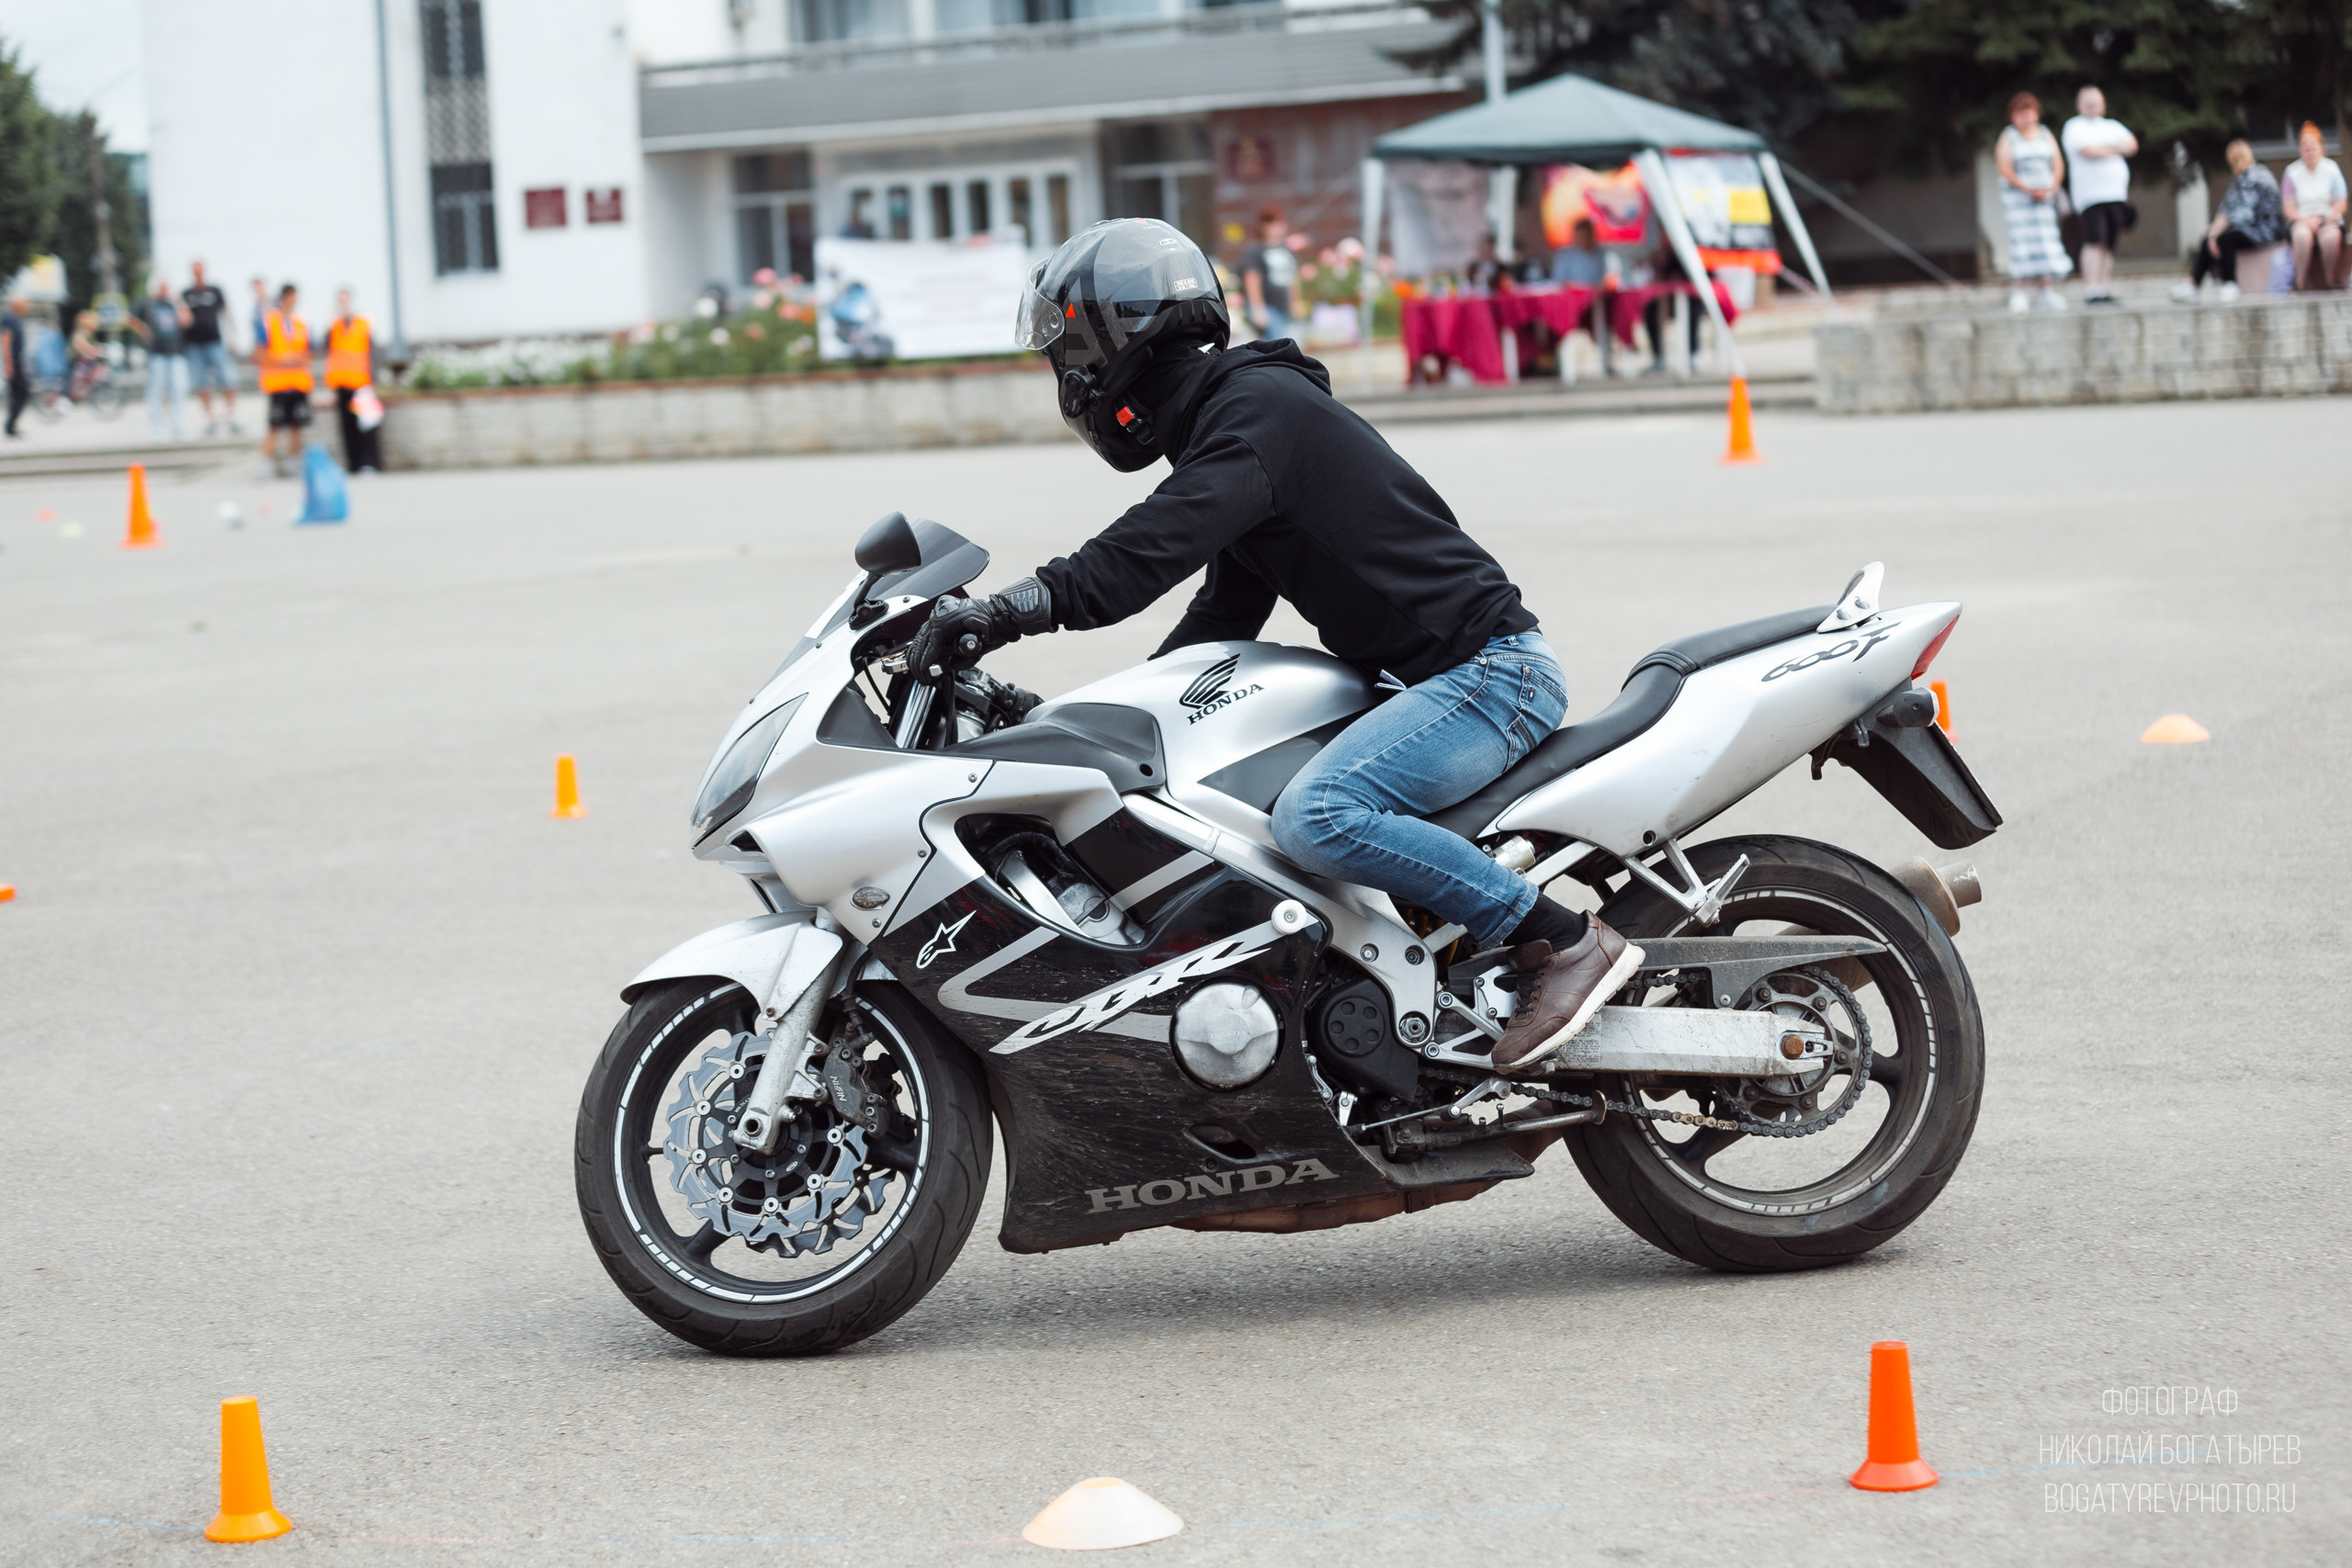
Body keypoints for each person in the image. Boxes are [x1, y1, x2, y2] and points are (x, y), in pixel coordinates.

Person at [907, 219, 1645, 1073]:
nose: (1068, 374)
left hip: (1488, 676)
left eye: (1070, 349)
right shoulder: (1238, 422)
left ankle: (1557, 939)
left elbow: (1145, 552)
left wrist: (1007, 610)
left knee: (1318, 816)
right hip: (1433, 684)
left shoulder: (1259, 412)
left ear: (1124, 335)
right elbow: (1221, 617)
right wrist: (1082, 725)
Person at [2175, 140, 2283, 302]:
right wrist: (2212, 234)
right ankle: (2193, 284)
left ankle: (2229, 284)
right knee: (2209, 240)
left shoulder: (2255, 176)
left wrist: (2217, 234)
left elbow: (2242, 214)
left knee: (2226, 240)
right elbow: (2226, 208)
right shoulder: (2241, 178)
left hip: (2264, 230)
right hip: (2249, 228)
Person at [2061, 85, 2138, 304]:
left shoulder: (2112, 125)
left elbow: (2132, 145)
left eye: (2097, 102)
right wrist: (2115, 148)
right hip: (2091, 196)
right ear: (2080, 105)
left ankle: (2103, 287)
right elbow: (2088, 151)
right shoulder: (2074, 126)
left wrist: (2104, 148)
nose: (2094, 107)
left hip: (2116, 194)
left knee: (2110, 243)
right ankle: (2091, 288)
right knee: (2095, 240)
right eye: (2089, 103)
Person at [1996, 92, 2072, 312]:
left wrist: (2051, 186)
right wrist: (2028, 189)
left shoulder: (2045, 134)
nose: (2025, 117)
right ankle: (2019, 290)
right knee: (2023, 243)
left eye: (2029, 111)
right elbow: (2004, 168)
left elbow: (2057, 164)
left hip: (2045, 198)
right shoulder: (2008, 136)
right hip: (2019, 201)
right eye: (2020, 112)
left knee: (2046, 241)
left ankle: (2047, 290)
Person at [256, 283, 314, 477]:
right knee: (274, 425)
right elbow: (260, 352)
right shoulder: (269, 321)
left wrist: (293, 358)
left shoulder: (301, 322)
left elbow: (308, 351)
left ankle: (293, 463)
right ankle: (265, 463)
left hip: (298, 382)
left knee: (296, 426)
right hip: (278, 383)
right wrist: (284, 359)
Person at [2280, 121, 2347, 291]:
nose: (2309, 152)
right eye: (2305, 148)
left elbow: (2341, 202)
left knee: (2331, 238)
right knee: (2302, 237)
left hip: (2327, 217)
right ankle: (2300, 281)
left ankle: (2330, 279)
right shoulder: (2292, 172)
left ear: (2321, 147)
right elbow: (2289, 208)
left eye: (2313, 147)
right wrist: (2305, 221)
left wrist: (2329, 217)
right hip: (2302, 218)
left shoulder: (2331, 169)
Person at [322, 288, 380, 472]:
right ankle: (353, 464)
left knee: (366, 426)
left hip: (361, 382)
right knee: (347, 427)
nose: (344, 304)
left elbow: (373, 351)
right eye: (341, 301)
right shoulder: (334, 326)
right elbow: (328, 351)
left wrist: (374, 379)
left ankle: (369, 463)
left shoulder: (363, 323)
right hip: (341, 382)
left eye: (346, 300)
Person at [182, 261, 240, 435]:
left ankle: (231, 415)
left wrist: (233, 337)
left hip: (215, 342)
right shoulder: (186, 294)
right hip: (194, 345)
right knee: (201, 382)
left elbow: (226, 313)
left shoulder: (214, 291)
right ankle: (210, 418)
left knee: (227, 378)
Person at [130, 276, 190, 440]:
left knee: (178, 389)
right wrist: (144, 331)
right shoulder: (147, 304)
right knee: (156, 390)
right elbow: (130, 318)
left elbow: (186, 321)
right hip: (157, 353)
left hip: (176, 352)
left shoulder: (173, 304)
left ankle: (178, 425)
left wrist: (178, 300)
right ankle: (157, 426)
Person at [1239, 206, 1300, 344]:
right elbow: (1252, 279)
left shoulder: (1286, 250)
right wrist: (1258, 308)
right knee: (1277, 344)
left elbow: (1293, 278)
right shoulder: (1256, 251)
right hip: (1269, 307)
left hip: (1284, 306)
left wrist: (1295, 303)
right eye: (1273, 223)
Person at [1550, 219, 1607, 287]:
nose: (1581, 239)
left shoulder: (1601, 253)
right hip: (1573, 295)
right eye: (1579, 236)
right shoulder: (1564, 256)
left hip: (1596, 295)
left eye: (1585, 235)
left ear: (1591, 235)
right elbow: (1558, 281)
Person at [2, 297, 28, 437]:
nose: (27, 305)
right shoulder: (9, 319)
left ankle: (11, 425)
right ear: (16, 304)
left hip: (17, 361)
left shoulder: (17, 318)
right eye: (25, 303)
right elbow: (5, 342)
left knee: (20, 393)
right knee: (22, 392)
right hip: (12, 362)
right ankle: (10, 425)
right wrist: (8, 365)